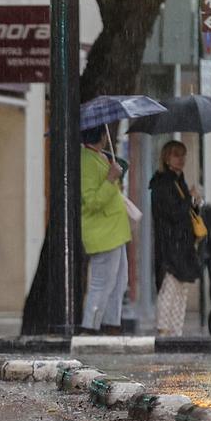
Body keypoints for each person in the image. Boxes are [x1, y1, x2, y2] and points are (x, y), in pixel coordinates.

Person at [80, 125, 131, 335]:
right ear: (102, 135)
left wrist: (115, 181)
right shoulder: (86, 161)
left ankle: (112, 325)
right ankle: (90, 327)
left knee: (119, 282)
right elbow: (91, 201)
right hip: (103, 232)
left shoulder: (101, 157)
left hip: (114, 231)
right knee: (102, 282)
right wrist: (110, 179)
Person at [150, 140, 202, 337]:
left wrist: (195, 203)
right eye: (176, 155)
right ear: (166, 157)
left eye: (183, 155)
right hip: (170, 246)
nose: (181, 159)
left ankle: (175, 330)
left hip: (183, 245)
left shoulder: (179, 181)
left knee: (181, 290)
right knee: (169, 288)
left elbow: (186, 214)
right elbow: (173, 213)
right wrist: (188, 198)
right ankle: (163, 329)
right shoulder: (162, 183)